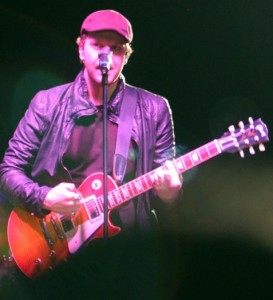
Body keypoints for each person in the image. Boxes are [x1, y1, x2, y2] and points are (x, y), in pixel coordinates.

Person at [0, 9, 182, 244]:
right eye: (97, 45)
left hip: (126, 249)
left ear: (126, 56)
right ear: (81, 50)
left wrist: (170, 194)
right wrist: (44, 197)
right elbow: (8, 171)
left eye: (116, 49)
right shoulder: (47, 103)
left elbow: (162, 195)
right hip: (57, 245)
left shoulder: (155, 109)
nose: (105, 55)